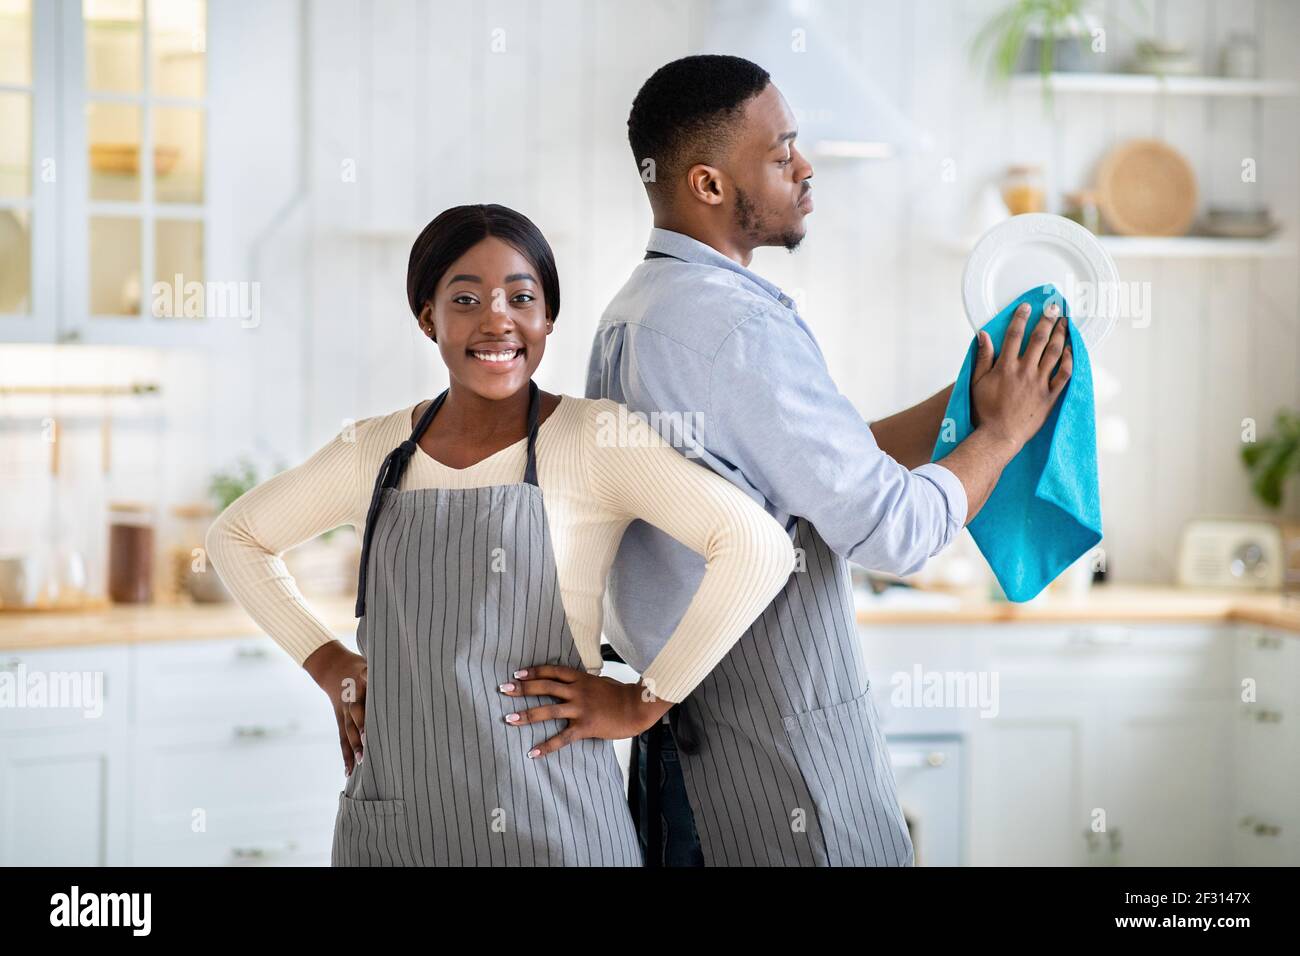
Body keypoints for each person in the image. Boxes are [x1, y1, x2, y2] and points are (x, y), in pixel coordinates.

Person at [588, 55, 1072, 866]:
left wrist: (976, 394)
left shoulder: (638, 312)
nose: (805, 169)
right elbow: (896, 533)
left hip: (693, 746)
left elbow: (809, 474)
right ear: (707, 185)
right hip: (765, 759)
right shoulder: (736, 330)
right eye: (781, 155)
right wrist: (1003, 435)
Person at [207, 203, 796, 866]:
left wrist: (642, 700)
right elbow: (237, 537)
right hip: (396, 834)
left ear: (548, 317)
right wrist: (328, 663)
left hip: (557, 826)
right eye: (465, 298)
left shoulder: (593, 439)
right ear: (427, 317)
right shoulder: (373, 450)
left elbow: (756, 545)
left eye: (522, 297)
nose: (497, 320)